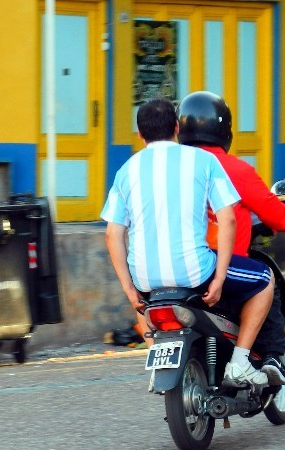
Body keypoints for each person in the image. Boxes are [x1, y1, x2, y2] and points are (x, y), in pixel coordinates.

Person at [101, 98, 275, 388]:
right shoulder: (204, 161)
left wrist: (129, 290)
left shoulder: (125, 172)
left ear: (140, 134)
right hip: (196, 272)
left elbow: (112, 234)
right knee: (264, 279)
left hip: (145, 279)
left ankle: (157, 355)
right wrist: (219, 278)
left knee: (143, 299)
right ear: (177, 128)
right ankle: (241, 362)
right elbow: (228, 219)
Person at [177, 90, 285, 386]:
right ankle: (269, 358)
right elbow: (279, 217)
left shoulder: (171, 167)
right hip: (218, 269)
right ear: (223, 129)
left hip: (171, 266)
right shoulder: (235, 169)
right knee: (266, 281)